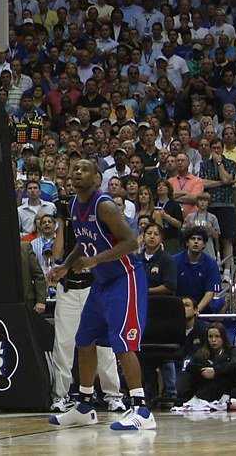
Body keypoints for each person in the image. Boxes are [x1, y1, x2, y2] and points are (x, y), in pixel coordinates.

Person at [47, 159, 155, 431]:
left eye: (84, 170)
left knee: (122, 343)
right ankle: (84, 406)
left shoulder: (104, 205)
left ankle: (141, 409)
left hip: (125, 278)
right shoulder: (73, 204)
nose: (77, 173)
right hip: (102, 282)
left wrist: (95, 261)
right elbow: (84, 242)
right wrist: (64, 266)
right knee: (84, 339)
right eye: (75, 169)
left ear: (96, 179)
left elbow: (130, 243)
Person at [178, 322, 236, 405]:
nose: (213, 340)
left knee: (222, 376)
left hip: (226, 386)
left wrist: (215, 370)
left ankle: (197, 399)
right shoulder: (202, 352)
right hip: (206, 383)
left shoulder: (231, 350)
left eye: (217, 336)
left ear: (223, 337)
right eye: (210, 337)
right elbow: (190, 366)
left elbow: (235, 364)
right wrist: (203, 370)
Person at [173, 227, 221, 313]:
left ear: (204, 245)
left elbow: (210, 292)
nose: (196, 242)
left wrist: (196, 311)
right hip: (177, 309)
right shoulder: (174, 261)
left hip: (203, 311)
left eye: (199, 239)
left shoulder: (211, 264)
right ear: (187, 243)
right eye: (193, 239)